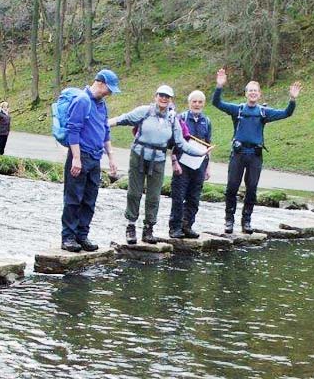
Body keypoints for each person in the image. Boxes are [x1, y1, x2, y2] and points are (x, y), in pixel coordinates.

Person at [109, 85, 212, 245]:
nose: (164, 99)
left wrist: (200, 153)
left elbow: (181, 143)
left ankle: (149, 228)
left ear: (170, 99)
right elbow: (124, 118)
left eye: (167, 97)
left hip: (158, 159)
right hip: (138, 155)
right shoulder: (144, 111)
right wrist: (105, 123)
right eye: (161, 95)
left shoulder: (173, 119)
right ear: (156, 96)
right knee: (134, 193)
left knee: (154, 196)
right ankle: (131, 227)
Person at [213, 68, 301, 235]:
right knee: (232, 187)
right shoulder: (237, 109)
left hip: (255, 155)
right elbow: (217, 103)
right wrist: (219, 86)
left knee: (252, 189)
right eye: (250, 91)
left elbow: (286, 113)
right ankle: (229, 221)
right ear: (246, 94)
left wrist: (292, 99)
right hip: (238, 154)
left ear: (260, 94)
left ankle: (246, 221)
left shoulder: (263, 112)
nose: (253, 93)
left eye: (255, 91)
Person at [60, 69, 119, 253]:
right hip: (80, 156)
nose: (110, 93)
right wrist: (76, 158)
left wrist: (111, 157)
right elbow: (73, 130)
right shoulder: (82, 101)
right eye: (109, 89)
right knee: (73, 198)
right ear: (100, 83)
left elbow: (105, 131)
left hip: (95, 158)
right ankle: (68, 237)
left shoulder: (102, 105)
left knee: (89, 199)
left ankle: (82, 235)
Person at [168, 90, 212, 239]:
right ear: (189, 103)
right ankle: (175, 228)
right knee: (178, 197)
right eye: (194, 101)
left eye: (200, 102)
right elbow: (173, 142)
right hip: (182, 164)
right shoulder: (181, 118)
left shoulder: (207, 121)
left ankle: (187, 226)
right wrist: (174, 162)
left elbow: (208, 145)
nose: (197, 104)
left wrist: (208, 167)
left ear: (203, 104)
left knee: (194, 197)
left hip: (200, 165)